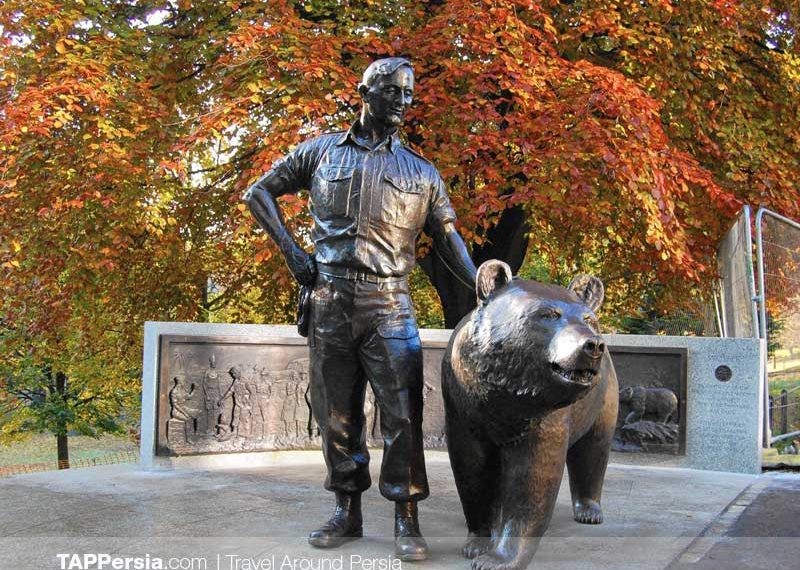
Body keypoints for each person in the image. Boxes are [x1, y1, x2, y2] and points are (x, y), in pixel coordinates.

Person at [243, 57, 477, 561]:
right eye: (392, 91)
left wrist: (485, 284)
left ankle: (406, 516)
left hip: (390, 303)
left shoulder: (422, 172)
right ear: (365, 92)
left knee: (403, 415)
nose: (403, 101)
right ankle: (346, 511)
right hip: (329, 300)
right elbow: (258, 192)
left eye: (408, 94)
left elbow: (449, 238)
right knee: (335, 414)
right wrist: (292, 252)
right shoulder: (321, 152)